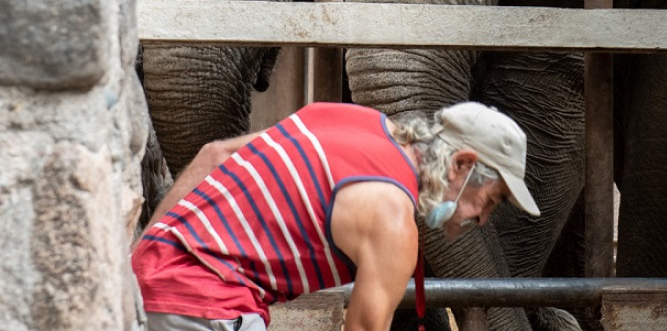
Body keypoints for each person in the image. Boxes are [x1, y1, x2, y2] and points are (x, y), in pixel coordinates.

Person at [132, 100, 540, 331]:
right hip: (210, 308)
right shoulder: (393, 217)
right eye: (490, 200)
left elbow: (214, 155)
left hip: (143, 289)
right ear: (461, 165)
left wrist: (133, 269)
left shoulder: (349, 119)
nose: (483, 219)